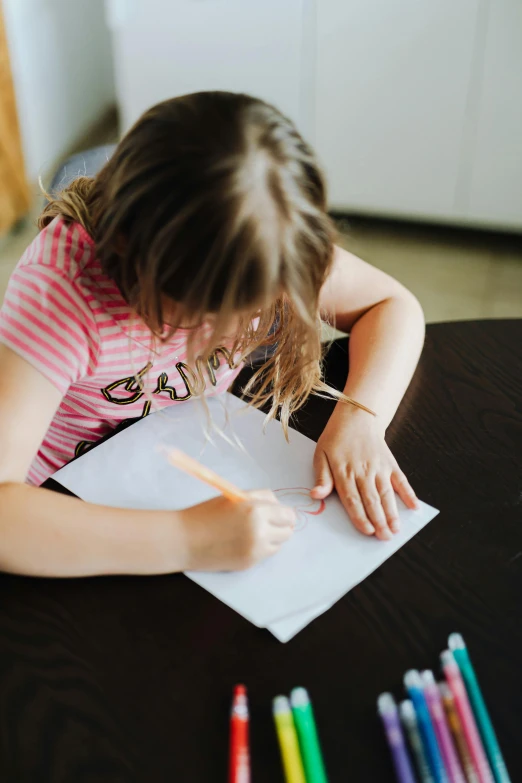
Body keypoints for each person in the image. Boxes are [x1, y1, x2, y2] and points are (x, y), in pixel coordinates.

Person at [0, 92, 424, 578]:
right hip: (72, 515)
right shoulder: (63, 295)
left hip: (190, 461)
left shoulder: (266, 231)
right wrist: (187, 541)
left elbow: (393, 305)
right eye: (209, 313)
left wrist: (360, 420)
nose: (247, 326)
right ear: (134, 255)